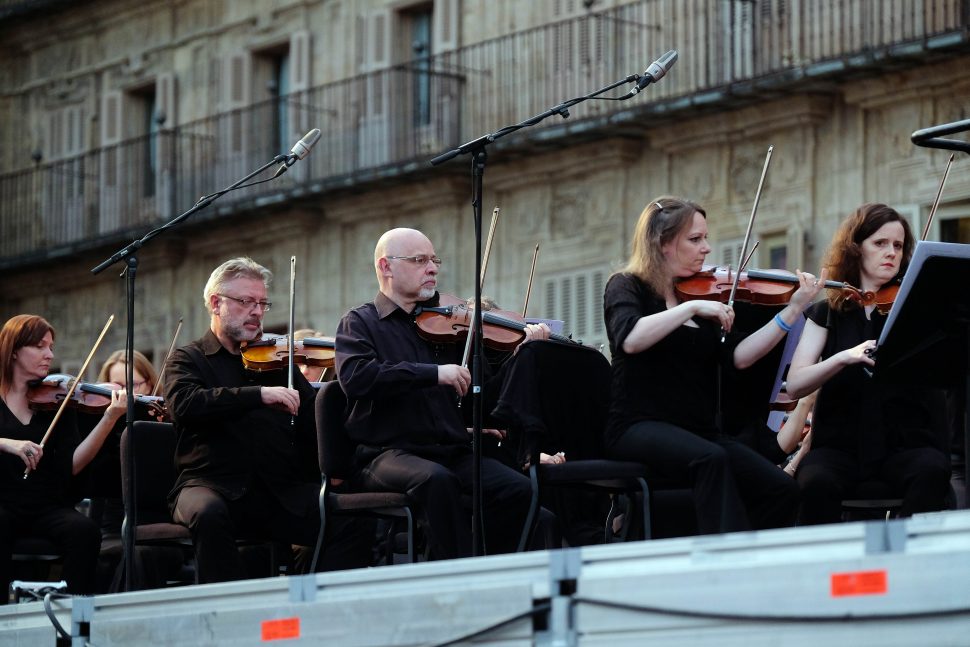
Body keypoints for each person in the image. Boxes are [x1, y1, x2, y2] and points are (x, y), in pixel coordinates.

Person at [603, 197, 823, 534]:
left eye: (705, 238)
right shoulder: (627, 285)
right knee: (710, 459)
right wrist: (688, 311)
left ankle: (750, 558)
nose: (706, 248)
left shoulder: (700, 297)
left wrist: (792, 311)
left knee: (781, 489)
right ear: (663, 244)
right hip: (637, 424)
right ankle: (722, 560)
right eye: (695, 239)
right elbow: (630, 337)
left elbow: (740, 356)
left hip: (697, 430)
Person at [162, 257, 370, 583]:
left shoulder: (275, 360)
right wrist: (256, 395)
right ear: (216, 303)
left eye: (262, 303)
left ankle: (314, 606)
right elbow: (184, 405)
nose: (257, 312)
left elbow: (313, 412)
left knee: (351, 518)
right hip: (210, 485)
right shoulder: (188, 358)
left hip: (274, 491)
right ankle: (226, 615)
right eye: (246, 302)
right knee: (208, 514)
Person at [335, 228, 537, 559]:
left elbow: (484, 400)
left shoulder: (448, 325)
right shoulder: (360, 323)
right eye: (419, 260)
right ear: (386, 267)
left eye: (434, 260)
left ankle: (497, 571)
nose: (432, 268)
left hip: (448, 450)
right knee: (436, 481)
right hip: (386, 453)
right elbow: (357, 377)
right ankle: (452, 579)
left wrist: (520, 356)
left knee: (517, 488)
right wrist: (433, 374)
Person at [785, 203, 951, 524]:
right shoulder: (826, 313)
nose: (891, 253)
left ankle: (906, 561)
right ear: (855, 248)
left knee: (932, 469)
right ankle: (829, 569)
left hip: (902, 446)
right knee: (815, 482)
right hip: (839, 447)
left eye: (898, 246)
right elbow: (795, 384)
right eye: (880, 243)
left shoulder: (914, 313)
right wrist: (844, 357)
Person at [0, 314, 127, 598]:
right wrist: (8, 443)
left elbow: (71, 465)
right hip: (3, 502)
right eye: (40, 346)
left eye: (51, 347)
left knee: (85, 532)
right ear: (15, 350)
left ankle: (72, 622)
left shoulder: (58, 400)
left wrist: (109, 418)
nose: (50, 355)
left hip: (46, 505)